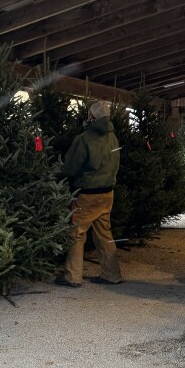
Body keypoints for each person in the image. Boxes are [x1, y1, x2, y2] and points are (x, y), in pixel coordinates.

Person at [57, 101, 122, 287]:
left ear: (92, 116)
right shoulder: (113, 138)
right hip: (107, 193)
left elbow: (70, 167)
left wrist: (58, 175)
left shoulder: (84, 139)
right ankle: (112, 274)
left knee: (76, 233)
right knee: (104, 233)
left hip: (86, 194)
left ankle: (73, 276)